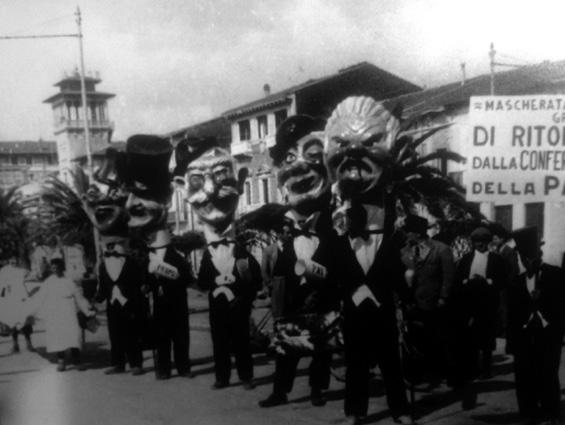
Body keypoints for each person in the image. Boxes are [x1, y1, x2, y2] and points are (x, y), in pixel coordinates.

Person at [325, 97, 411, 425]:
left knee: (391, 361)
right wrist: (354, 291)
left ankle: (400, 411)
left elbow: (393, 264)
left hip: (383, 305)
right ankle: (355, 413)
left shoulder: (391, 224)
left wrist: (393, 289)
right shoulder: (338, 228)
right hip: (354, 306)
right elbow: (337, 265)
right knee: (356, 362)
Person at [258, 115, 340, 408]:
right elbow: (275, 274)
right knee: (286, 352)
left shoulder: (333, 231)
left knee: (321, 350)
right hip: (292, 305)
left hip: (322, 303)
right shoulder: (283, 233)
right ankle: (280, 392)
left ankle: (318, 390)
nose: (297, 167)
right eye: (289, 158)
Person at [175, 139, 261, 390]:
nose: (211, 190)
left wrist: (240, 291)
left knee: (242, 341)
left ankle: (246, 376)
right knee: (220, 344)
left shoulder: (243, 251)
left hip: (239, 306)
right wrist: (217, 286)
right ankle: (222, 377)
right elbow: (202, 281)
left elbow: (254, 278)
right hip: (218, 307)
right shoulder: (207, 255)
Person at [123, 135, 193, 380]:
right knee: (161, 337)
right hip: (158, 306)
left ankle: (183, 368)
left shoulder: (176, 256)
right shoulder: (144, 259)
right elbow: (142, 283)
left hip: (177, 303)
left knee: (181, 336)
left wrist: (163, 270)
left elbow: (187, 276)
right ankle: (163, 369)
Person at [507, 227, 565, 425]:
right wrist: (512, 342)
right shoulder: (516, 282)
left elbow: (562, 305)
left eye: (531, 256)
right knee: (524, 374)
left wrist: (545, 300)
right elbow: (512, 314)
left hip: (549, 333)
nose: (527, 261)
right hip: (525, 334)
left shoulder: (555, 275)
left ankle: (550, 413)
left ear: (538, 255)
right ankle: (529, 413)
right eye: (524, 257)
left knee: (548, 373)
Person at [450, 226, 507, 408]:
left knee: (487, 333)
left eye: (483, 241)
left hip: (488, 301)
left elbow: (502, 280)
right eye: (477, 241)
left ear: (488, 242)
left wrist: (486, 281)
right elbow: (458, 279)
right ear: (473, 243)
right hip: (469, 300)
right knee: (471, 334)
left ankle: (487, 367)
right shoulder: (466, 258)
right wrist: (468, 281)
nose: (480, 244)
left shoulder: (496, 259)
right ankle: (472, 367)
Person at [400, 214, 455, 385]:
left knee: (436, 339)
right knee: (415, 340)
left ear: (417, 233)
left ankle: (441, 373)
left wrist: (444, 298)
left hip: (434, 303)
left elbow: (449, 277)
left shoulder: (441, 249)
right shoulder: (404, 252)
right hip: (412, 304)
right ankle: (417, 374)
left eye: (408, 232)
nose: (405, 235)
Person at [96, 236, 145, 376]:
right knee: (114, 335)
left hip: (129, 303)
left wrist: (137, 301)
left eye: (113, 245)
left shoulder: (131, 263)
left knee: (132, 334)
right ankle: (118, 364)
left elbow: (138, 283)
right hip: (113, 304)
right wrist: (96, 300)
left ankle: (136, 364)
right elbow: (103, 287)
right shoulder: (102, 265)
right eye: (108, 245)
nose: (111, 248)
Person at [35, 258, 95, 371]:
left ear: (62, 268)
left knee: (73, 333)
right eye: (53, 268)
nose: (55, 270)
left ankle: (76, 359)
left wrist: (87, 310)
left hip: (68, 310)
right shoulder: (48, 282)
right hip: (55, 310)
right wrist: (31, 309)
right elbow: (39, 298)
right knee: (58, 335)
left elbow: (79, 297)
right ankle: (61, 360)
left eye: (57, 267)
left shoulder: (69, 281)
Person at [0, 256, 34, 353]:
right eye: (11, 259)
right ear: (8, 260)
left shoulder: (22, 271)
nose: (13, 261)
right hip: (10, 299)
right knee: (12, 322)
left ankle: (29, 343)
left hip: (21, 298)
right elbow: (1, 286)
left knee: (25, 320)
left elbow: (31, 278)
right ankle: (15, 344)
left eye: (15, 259)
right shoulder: (4, 271)